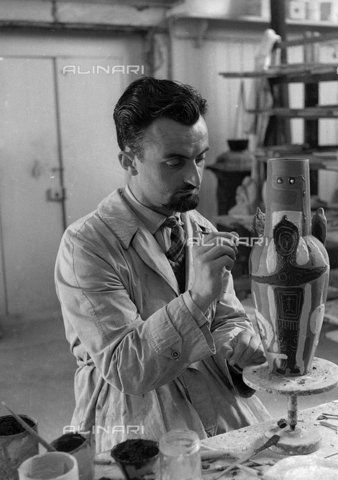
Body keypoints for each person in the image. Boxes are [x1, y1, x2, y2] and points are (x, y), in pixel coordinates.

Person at [55, 77, 271, 453]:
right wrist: (197, 300)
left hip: (215, 393)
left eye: (199, 158)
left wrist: (240, 347)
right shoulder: (86, 246)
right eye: (174, 163)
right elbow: (127, 366)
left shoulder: (200, 227)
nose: (193, 177)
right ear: (129, 161)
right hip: (135, 413)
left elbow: (228, 320)